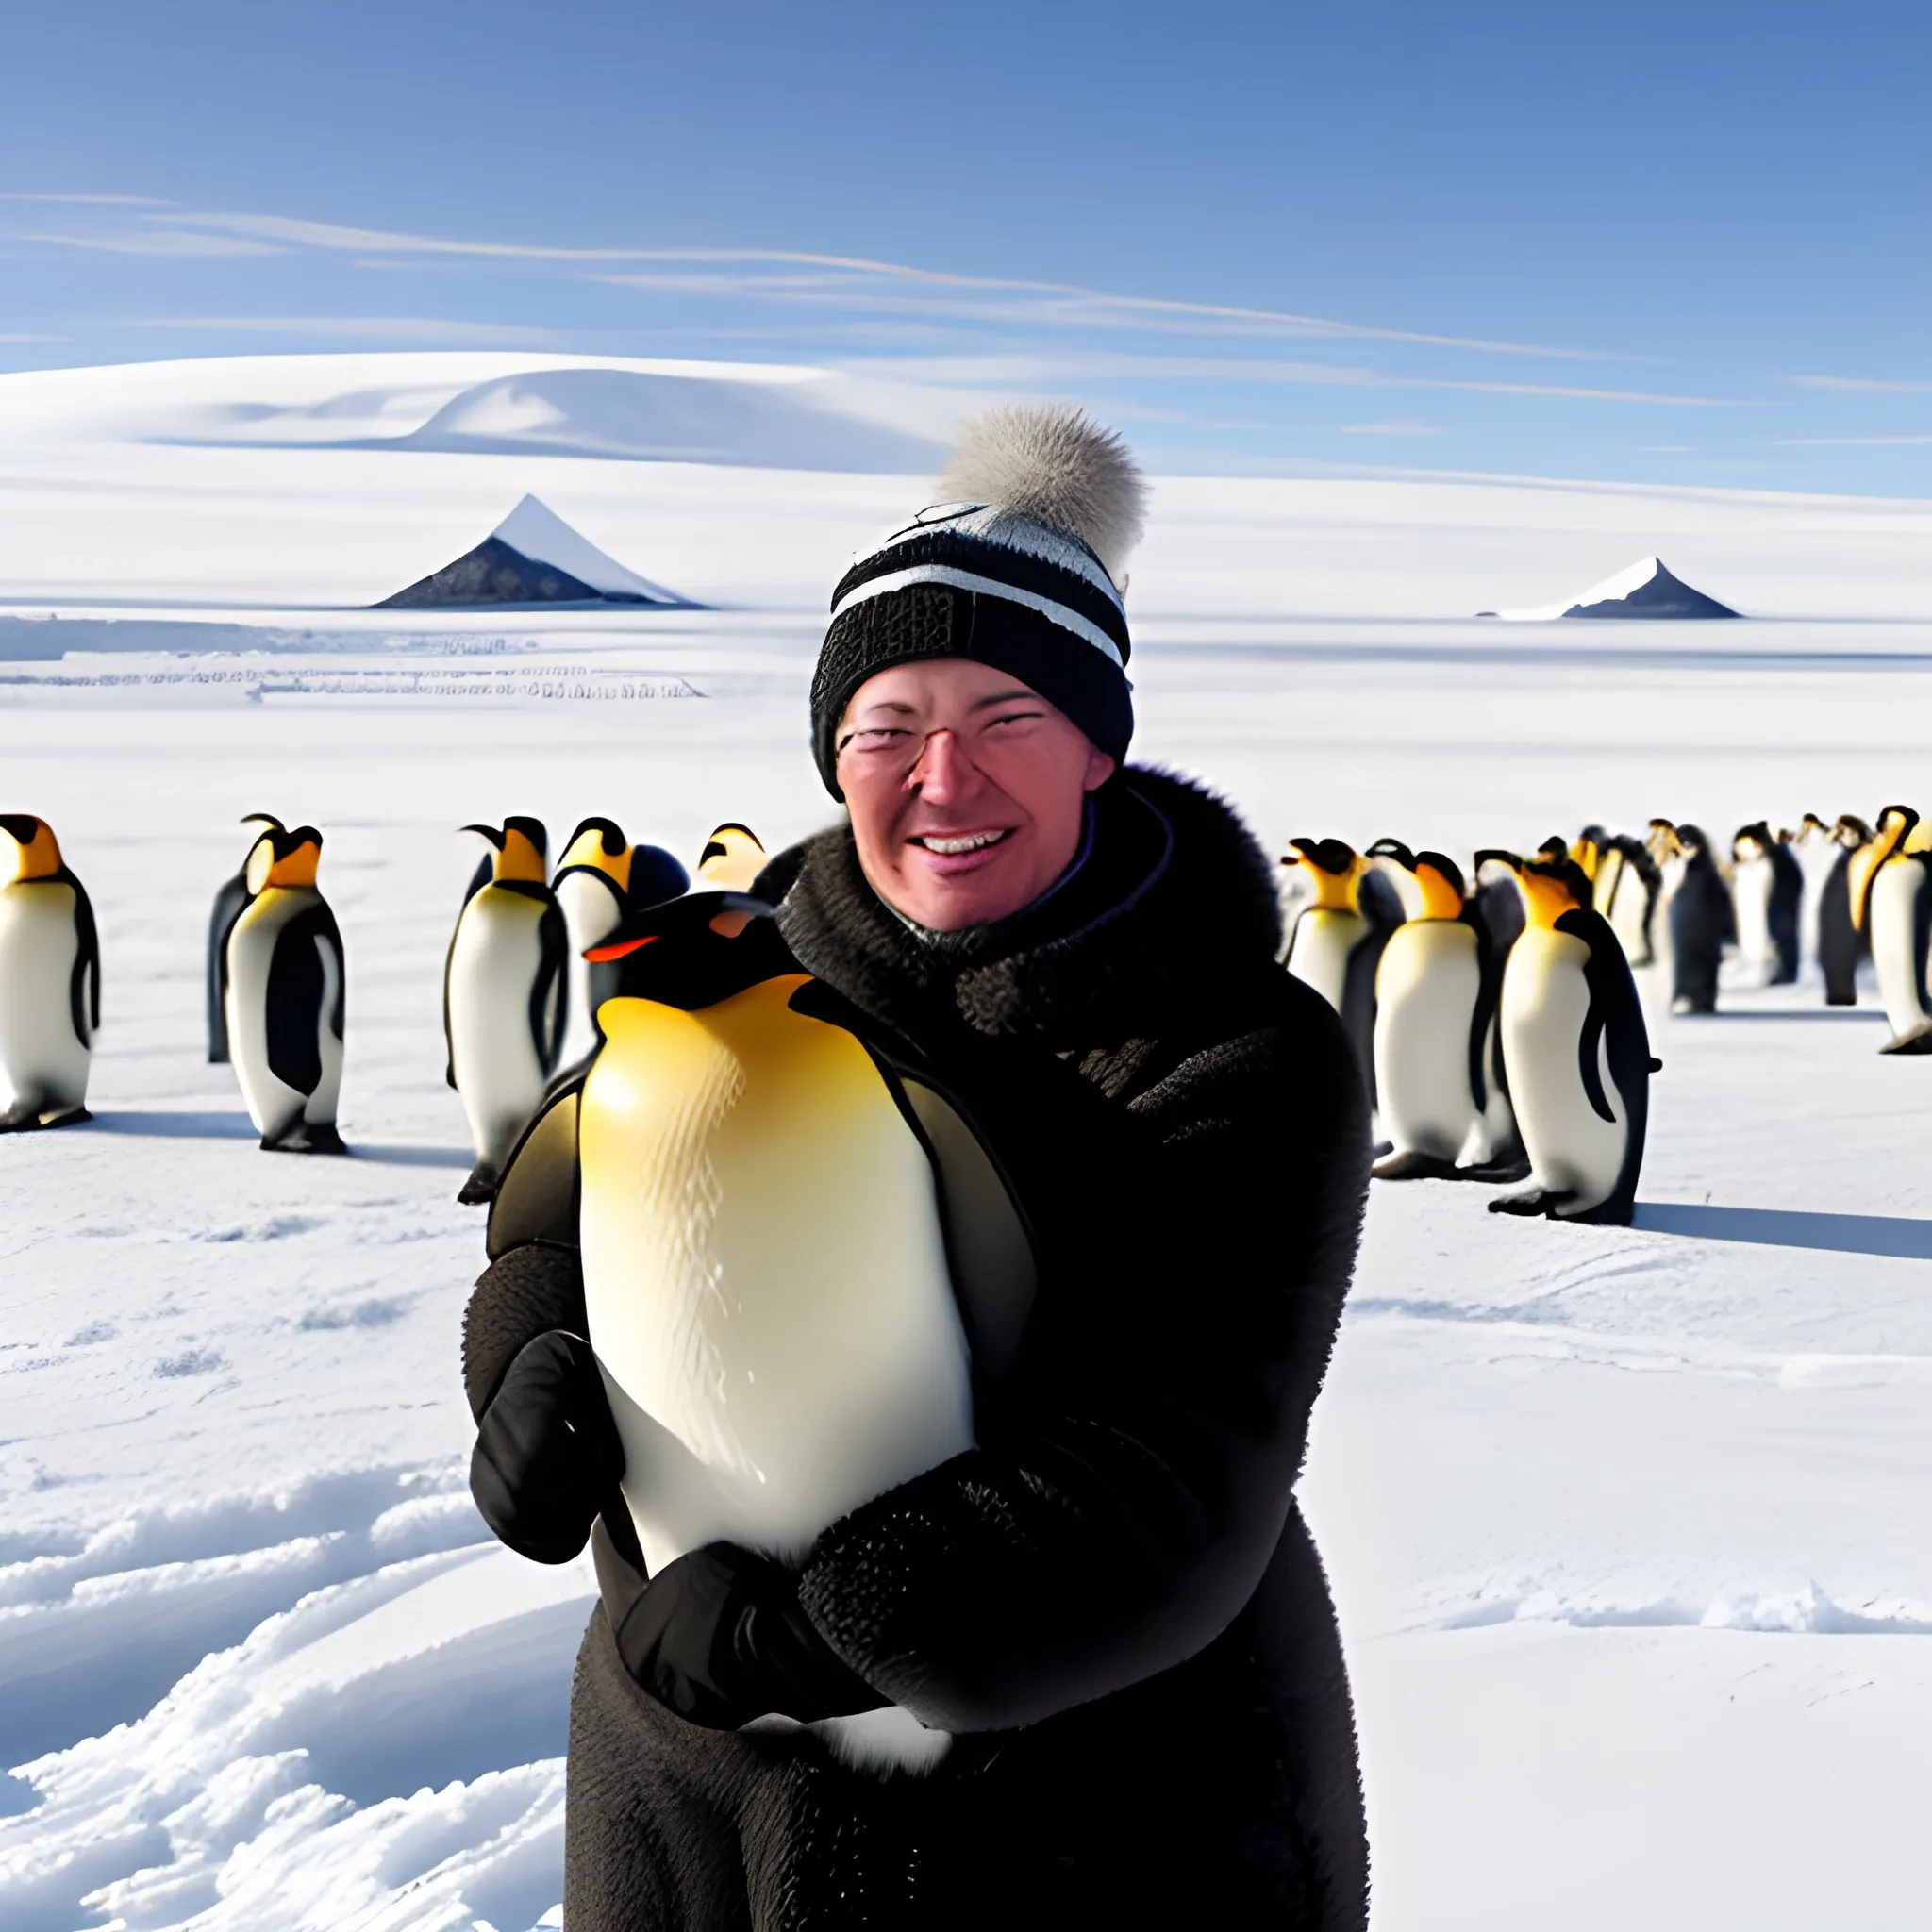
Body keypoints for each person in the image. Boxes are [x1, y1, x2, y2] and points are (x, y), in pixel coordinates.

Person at [461, 406, 1372, 1929]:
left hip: (1103, 1808)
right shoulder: (728, 993)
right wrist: (526, 1378)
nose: (942, 780)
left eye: (1006, 717)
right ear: (835, 755)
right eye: (889, 728)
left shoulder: (1225, 1045)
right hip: (678, 1774)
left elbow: (1177, 1466)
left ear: (1098, 744)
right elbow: (551, 1231)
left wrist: (803, 1638)